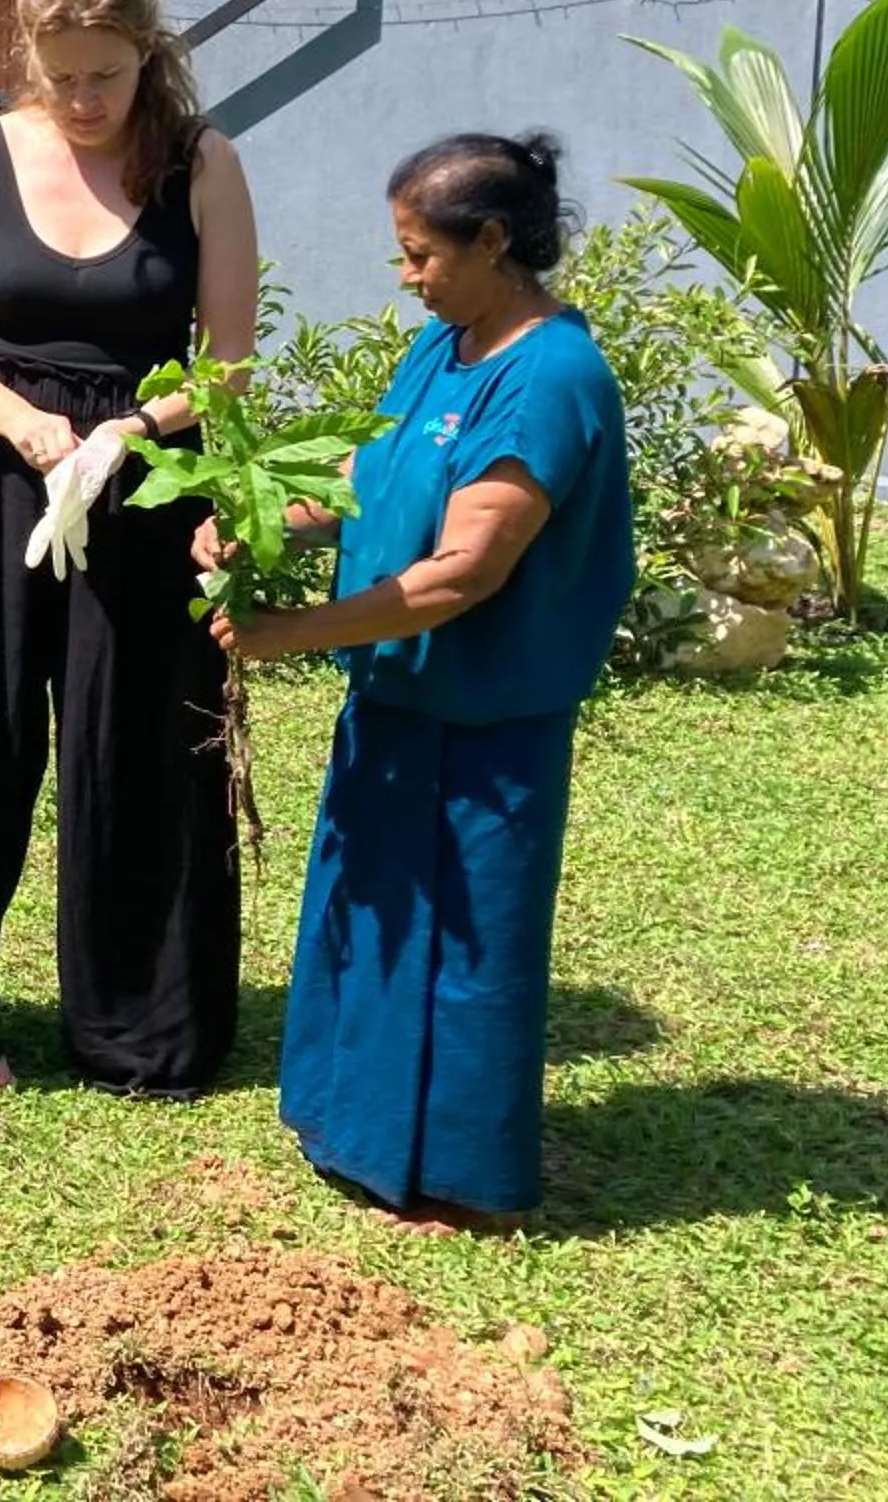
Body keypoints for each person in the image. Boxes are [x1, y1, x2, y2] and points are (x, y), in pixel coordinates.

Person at [201, 133, 634, 1233]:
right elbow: (368, 470)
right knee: (372, 919)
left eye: (420, 253)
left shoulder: (551, 378)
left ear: (494, 241)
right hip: (394, 704)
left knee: (465, 947)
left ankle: (454, 1175)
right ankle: (350, 1130)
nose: (407, 276)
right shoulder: (445, 348)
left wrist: (291, 632)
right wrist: (256, 514)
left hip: (486, 728)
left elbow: (462, 574)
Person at [0, 0, 258, 1094]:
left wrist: (133, 433)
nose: (82, 99)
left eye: (104, 73)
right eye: (61, 73)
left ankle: (137, 1027)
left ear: (148, 54)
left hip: (141, 490)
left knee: (138, 746)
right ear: (30, 55)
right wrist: (24, 423)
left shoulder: (203, 164)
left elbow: (233, 364)